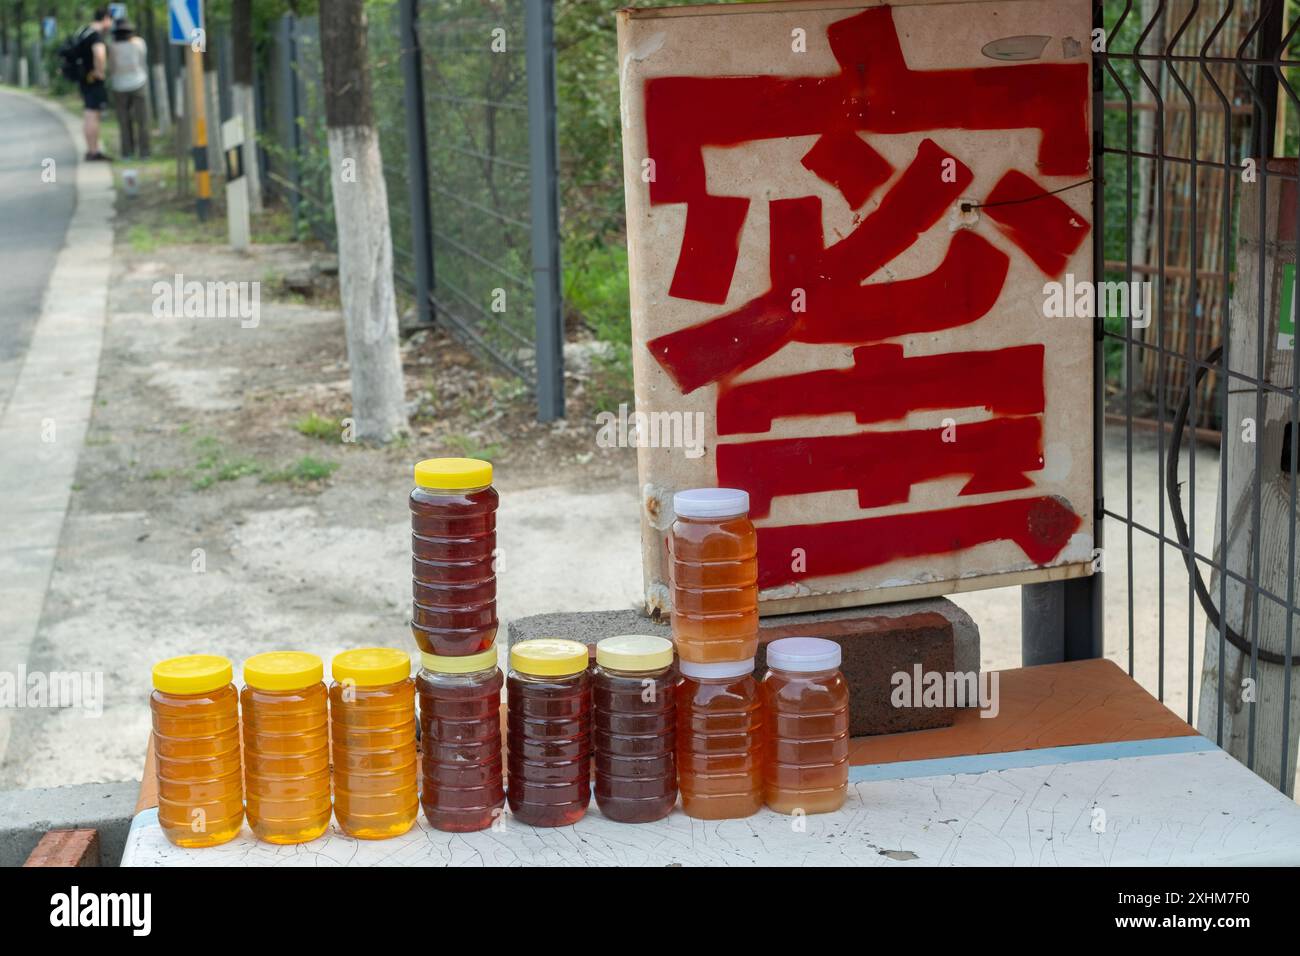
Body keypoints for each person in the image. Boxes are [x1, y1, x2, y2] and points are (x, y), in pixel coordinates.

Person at [72, 7, 114, 161]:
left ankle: (91, 149)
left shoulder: (83, 31)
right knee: (92, 115)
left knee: (88, 113)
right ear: (105, 19)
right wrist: (100, 71)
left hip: (83, 78)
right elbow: (99, 53)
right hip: (93, 79)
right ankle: (94, 151)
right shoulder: (96, 36)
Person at [108, 17, 150, 159]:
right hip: (139, 83)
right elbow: (143, 61)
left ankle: (127, 153)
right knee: (142, 120)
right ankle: (145, 153)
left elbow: (112, 67)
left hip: (119, 86)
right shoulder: (139, 43)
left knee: (124, 122)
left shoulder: (112, 46)